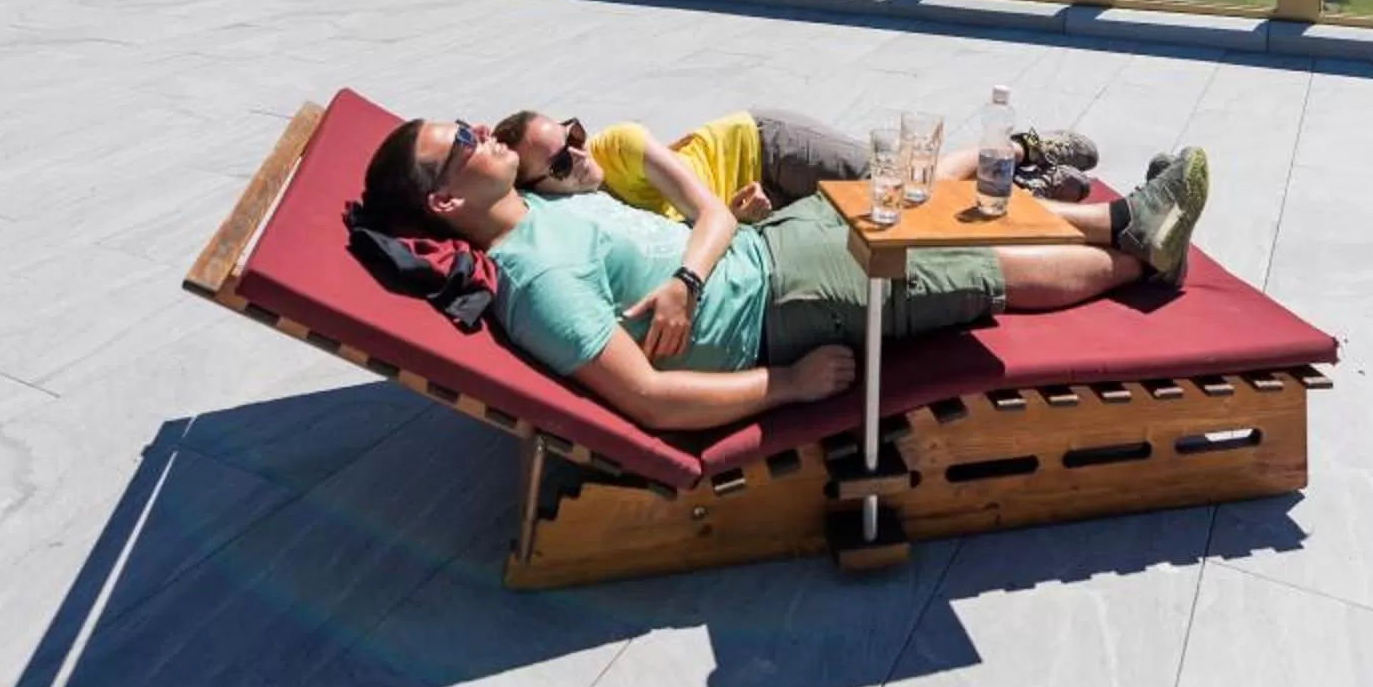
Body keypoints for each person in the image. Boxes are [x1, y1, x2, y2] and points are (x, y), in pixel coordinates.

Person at [357, 119, 1212, 437]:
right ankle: (1140, 253)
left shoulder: (544, 213)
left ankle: (1128, 219)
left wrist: (695, 271)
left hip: (767, 249)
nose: (478, 134)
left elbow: (701, 232)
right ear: (442, 204)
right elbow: (649, 398)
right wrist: (789, 385)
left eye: (466, 125)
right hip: (784, 306)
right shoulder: (533, 277)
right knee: (981, 266)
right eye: (460, 147)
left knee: (927, 203)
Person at [493, 105, 1102, 222]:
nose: (581, 151)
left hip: (768, 144)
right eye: (562, 160)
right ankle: (1023, 182)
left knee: (898, 184)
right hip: (757, 203)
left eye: (573, 132)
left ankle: (1018, 150)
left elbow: (704, 214)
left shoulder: (620, 143)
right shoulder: (578, 210)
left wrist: (734, 216)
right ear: (539, 186)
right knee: (891, 211)